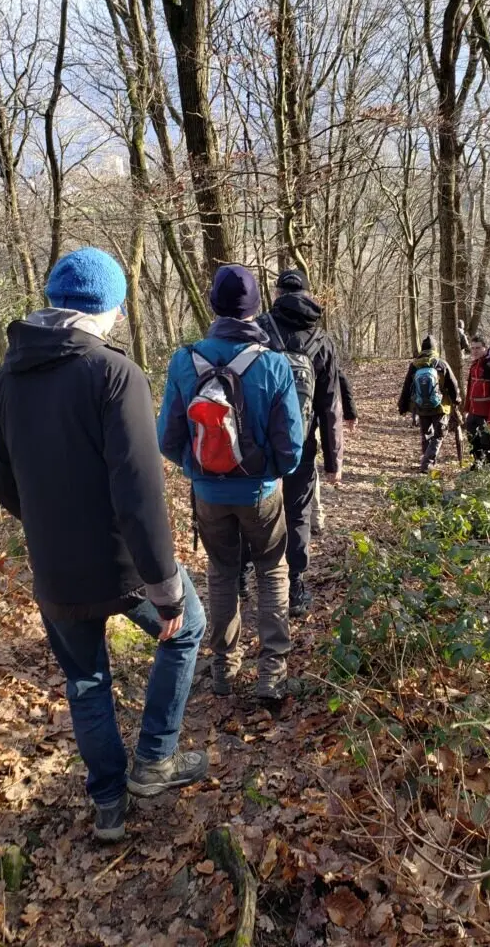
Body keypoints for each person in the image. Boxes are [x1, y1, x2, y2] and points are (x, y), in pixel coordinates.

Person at [0, 247, 207, 843]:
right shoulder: (114, 372)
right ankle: (155, 759)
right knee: (187, 627)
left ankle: (108, 802)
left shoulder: (8, 376)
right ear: (107, 308)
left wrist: (51, 527)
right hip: (123, 563)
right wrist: (166, 589)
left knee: (86, 679)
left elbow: (3, 483)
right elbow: (139, 493)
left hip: (54, 567)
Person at [158, 265, 304, 701]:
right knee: (272, 569)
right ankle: (271, 674)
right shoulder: (274, 365)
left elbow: (167, 439)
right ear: (256, 309)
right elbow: (292, 448)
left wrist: (199, 469)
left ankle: (224, 668)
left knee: (222, 572)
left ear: (213, 306)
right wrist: (267, 472)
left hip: (207, 495)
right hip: (261, 493)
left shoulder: (185, 361)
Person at [257, 269, 343, 616]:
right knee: (297, 512)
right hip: (302, 442)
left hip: (258, 441)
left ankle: (249, 573)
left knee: (256, 507)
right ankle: (295, 585)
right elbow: (329, 405)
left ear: (277, 293)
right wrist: (333, 460)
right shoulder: (321, 339)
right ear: (308, 295)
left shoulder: (259, 329)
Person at [398, 335, 460, 472]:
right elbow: (453, 384)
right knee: (439, 435)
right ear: (435, 349)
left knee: (426, 434)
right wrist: (457, 400)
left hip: (421, 406)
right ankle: (427, 464)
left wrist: (402, 406)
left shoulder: (415, 365)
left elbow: (407, 386)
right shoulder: (441, 363)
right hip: (440, 406)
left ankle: (427, 463)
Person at [311, 370, 357, 535]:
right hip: (313, 419)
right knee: (310, 467)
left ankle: (307, 517)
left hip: (287, 420)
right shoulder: (320, 348)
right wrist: (351, 413)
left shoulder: (278, 346)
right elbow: (340, 379)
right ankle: (315, 518)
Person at [464, 331, 490, 468]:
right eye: (473, 348)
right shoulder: (475, 365)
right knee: (473, 440)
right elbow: (470, 388)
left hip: (486, 414)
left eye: (478, 348)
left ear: (486, 348)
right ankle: (477, 464)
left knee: (487, 443)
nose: (475, 351)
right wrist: (466, 409)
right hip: (473, 412)